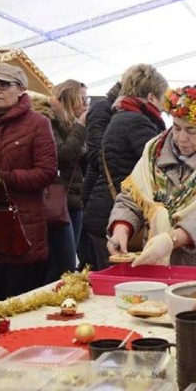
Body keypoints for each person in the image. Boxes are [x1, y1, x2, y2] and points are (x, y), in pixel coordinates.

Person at [106, 85, 196, 267]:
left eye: (191, 131)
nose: (181, 138)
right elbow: (133, 197)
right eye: (176, 128)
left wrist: (172, 239)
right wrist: (121, 227)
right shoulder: (153, 151)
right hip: (156, 263)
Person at [0, 63, 57, 301]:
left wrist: (2, 178)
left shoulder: (38, 123)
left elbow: (47, 172)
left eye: (3, 85)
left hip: (23, 229)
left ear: (21, 89)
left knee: (22, 304)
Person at [82, 65, 167, 270]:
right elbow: (160, 167)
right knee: (122, 282)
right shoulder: (137, 122)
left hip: (103, 208)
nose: (164, 105)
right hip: (116, 212)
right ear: (151, 97)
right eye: (162, 97)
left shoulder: (122, 116)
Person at [35, 79, 88, 282]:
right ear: (69, 100)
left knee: (65, 262)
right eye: (82, 99)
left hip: (73, 200)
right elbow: (61, 154)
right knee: (62, 263)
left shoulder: (69, 124)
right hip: (55, 202)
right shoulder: (48, 120)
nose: (86, 105)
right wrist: (80, 126)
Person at [80, 81, 121, 268]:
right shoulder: (102, 110)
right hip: (98, 191)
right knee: (96, 259)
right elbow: (96, 155)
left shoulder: (109, 110)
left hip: (102, 190)